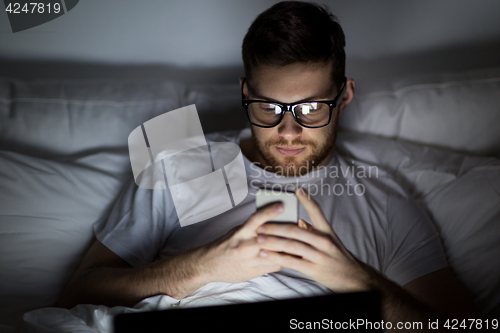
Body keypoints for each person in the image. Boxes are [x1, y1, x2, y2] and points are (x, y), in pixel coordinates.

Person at [58, 1, 479, 328]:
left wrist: (356, 281)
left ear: (345, 96)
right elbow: (76, 292)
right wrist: (204, 266)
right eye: (268, 107)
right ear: (245, 93)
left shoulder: (383, 200)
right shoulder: (180, 160)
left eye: (312, 108)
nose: (290, 131)